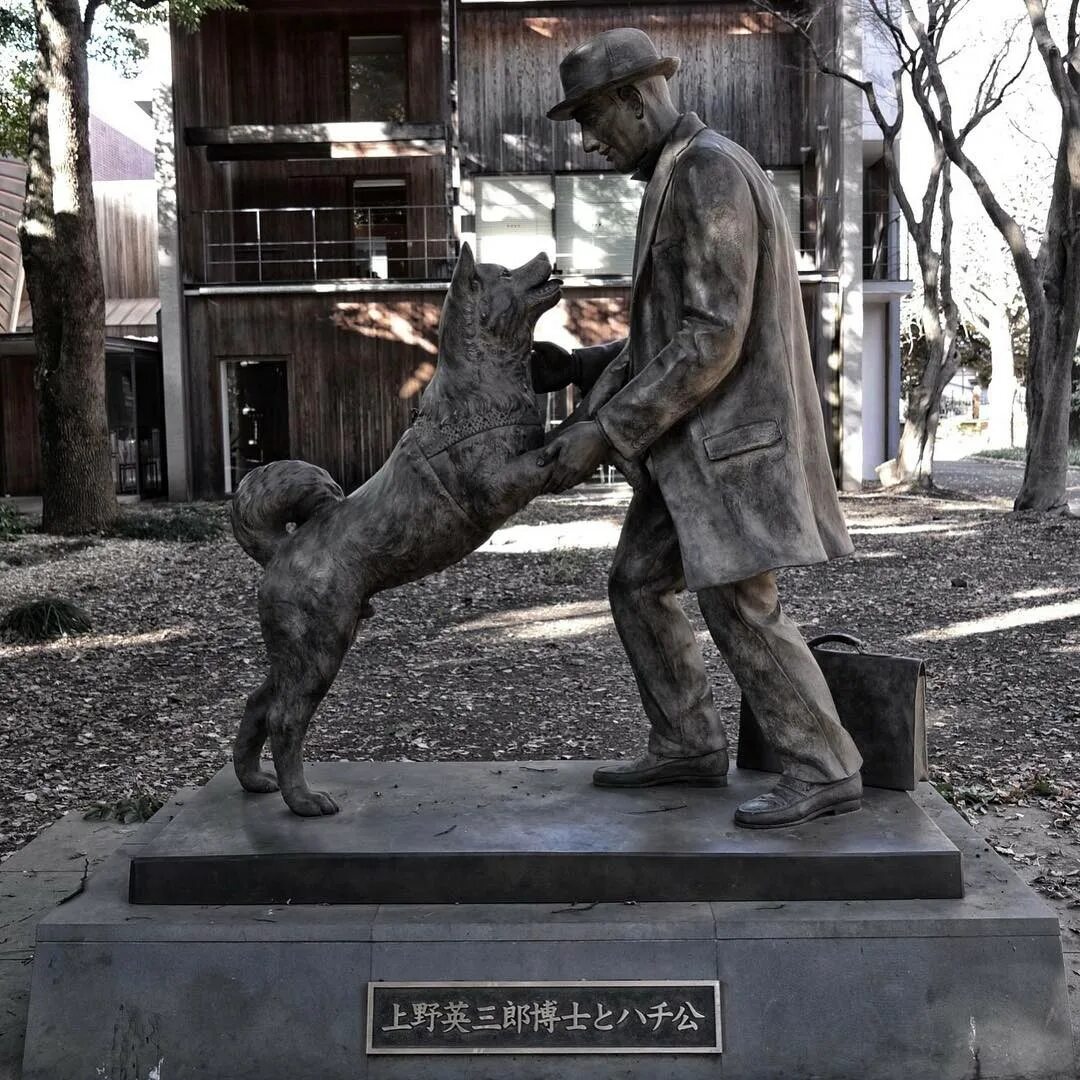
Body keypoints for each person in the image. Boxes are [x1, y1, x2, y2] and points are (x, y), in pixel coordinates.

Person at [530, 27, 863, 829]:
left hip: (730, 450)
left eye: (593, 118)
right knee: (638, 583)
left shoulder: (708, 170)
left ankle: (826, 766)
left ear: (637, 98)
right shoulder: (680, 172)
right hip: (694, 454)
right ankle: (687, 740)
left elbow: (711, 339)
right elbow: (669, 330)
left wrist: (606, 431)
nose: (588, 139)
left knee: (741, 607)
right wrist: (582, 369)